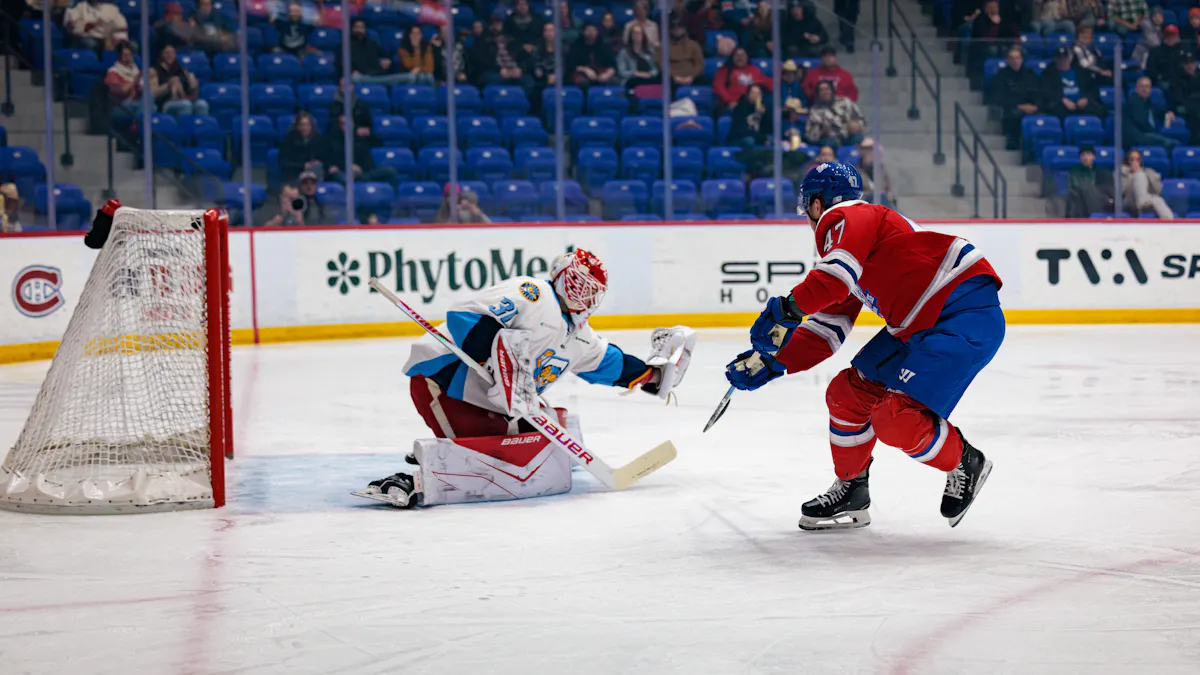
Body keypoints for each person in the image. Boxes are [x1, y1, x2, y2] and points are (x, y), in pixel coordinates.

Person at [724, 162, 1003, 531]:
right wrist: (775, 361)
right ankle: (852, 489)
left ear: (817, 204)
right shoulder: (856, 243)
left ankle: (966, 462)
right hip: (920, 325)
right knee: (847, 394)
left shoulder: (847, 216)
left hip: (961, 315)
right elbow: (827, 330)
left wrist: (787, 309)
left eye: (807, 209)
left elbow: (831, 282)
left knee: (895, 418)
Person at [355, 250, 696, 508]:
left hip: (492, 398)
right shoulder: (533, 293)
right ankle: (417, 478)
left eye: (590, 290)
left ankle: (463, 447)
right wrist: (487, 356)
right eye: (577, 284)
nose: (583, 295)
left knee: (548, 436)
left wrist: (653, 376)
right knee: (501, 459)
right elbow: (464, 314)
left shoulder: (581, 336)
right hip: (445, 381)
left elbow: (609, 362)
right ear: (560, 276)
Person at [320, 114, 398, 192]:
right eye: (343, 124)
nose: (346, 126)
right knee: (342, 177)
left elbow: (378, 143)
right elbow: (332, 162)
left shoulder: (360, 138)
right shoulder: (332, 141)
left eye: (348, 123)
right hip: (344, 172)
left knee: (390, 171)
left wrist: (360, 169)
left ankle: (393, 196)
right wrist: (348, 167)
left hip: (364, 172)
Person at [992, 46, 1041, 149]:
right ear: (1007, 60)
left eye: (1017, 58)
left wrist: (1035, 105)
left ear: (1022, 59)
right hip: (1013, 107)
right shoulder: (1001, 75)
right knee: (1013, 114)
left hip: (1031, 106)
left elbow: (1037, 92)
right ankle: (1013, 141)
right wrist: (1020, 106)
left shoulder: (1030, 74)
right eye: (1012, 58)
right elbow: (999, 97)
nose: (1015, 61)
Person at [1041, 46, 1101, 120]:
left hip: (1082, 102)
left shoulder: (1082, 72)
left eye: (1065, 59)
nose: (1062, 61)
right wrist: (1062, 99)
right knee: (1058, 111)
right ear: (1055, 60)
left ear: (1070, 58)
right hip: (1061, 104)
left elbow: (1093, 89)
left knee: (1099, 110)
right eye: (1060, 59)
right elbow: (1047, 91)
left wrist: (1086, 98)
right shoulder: (1048, 74)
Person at [341, 18, 405, 85]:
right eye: (357, 27)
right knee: (355, 78)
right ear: (352, 29)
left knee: (409, 77)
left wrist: (388, 60)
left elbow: (385, 56)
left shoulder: (372, 44)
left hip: (377, 75)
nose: (359, 30)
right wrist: (352, 71)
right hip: (361, 77)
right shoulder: (345, 46)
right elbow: (342, 63)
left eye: (362, 27)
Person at [150, 45, 208, 117]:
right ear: (161, 54)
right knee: (185, 105)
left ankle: (199, 123)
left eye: (172, 53)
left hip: (184, 98)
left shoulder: (182, 70)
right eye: (167, 53)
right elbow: (153, 94)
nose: (170, 55)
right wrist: (168, 85)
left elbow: (193, 93)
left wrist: (194, 85)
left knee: (202, 104)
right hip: (165, 102)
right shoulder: (154, 71)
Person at [1123, 75, 1177, 151]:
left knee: (1173, 143)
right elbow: (1142, 123)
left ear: (1150, 90)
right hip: (1137, 137)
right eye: (1142, 86)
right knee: (1172, 144)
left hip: (1145, 136)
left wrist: (1167, 113)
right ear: (1136, 89)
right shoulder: (1133, 101)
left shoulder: (1147, 102)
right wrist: (1155, 134)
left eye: (1147, 87)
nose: (1144, 89)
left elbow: (1156, 111)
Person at [805, 80, 866, 147]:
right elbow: (810, 135)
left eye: (827, 89)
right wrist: (821, 132)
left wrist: (857, 125)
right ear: (818, 94)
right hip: (830, 139)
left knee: (858, 138)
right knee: (828, 143)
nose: (825, 92)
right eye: (821, 90)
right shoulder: (814, 111)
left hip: (848, 135)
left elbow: (862, 120)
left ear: (832, 91)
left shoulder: (845, 102)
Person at [968, 0, 1019, 76]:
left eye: (995, 7)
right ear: (985, 8)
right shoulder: (980, 20)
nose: (994, 9)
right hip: (985, 46)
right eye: (991, 7)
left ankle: (1017, 74)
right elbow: (986, 39)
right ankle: (991, 72)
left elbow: (1013, 34)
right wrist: (994, 25)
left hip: (1005, 45)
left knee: (1021, 51)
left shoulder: (1005, 19)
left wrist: (1016, 45)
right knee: (993, 50)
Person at [1121, 148, 1173, 217]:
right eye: (1132, 159)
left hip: (1145, 198)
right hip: (1128, 201)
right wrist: (1130, 175)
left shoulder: (1147, 172)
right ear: (1127, 161)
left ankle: (1170, 221)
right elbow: (1119, 192)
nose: (1135, 162)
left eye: (1137, 160)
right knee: (1138, 175)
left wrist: (1149, 176)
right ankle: (1142, 202)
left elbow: (1158, 191)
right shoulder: (1121, 172)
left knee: (1158, 200)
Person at [1065, 145, 1115, 216]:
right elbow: (1074, 189)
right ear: (1080, 158)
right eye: (1083, 155)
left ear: (1093, 157)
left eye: (1088, 155)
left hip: (1100, 202)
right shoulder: (1075, 172)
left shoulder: (1103, 173)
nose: (1085, 158)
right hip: (1080, 202)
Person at [566, 23, 617, 88]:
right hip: (583, 74)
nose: (591, 33)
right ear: (583, 32)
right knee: (583, 82)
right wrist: (585, 70)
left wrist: (607, 74)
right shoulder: (576, 46)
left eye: (593, 30)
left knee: (614, 81)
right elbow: (571, 66)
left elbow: (613, 65)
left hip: (601, 73)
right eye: (588, 30)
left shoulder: (604, 46)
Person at [278, 112, 324, 184]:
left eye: (307, 125)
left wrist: (317, 162)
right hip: (295, 175)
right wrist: (303, 166)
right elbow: (284, 163)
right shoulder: (289, 140)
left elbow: (324, 158)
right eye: (302, 125)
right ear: (297, 126)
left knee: (317, 167)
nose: (305, 128)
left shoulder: (317, 139)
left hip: (313, 173)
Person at [617, 23, 659, 95]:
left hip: (648, 78)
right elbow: (622, 72)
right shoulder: (624, 53)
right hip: (632, 80)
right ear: (631, 36)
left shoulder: (650, 52)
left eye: (639, 33)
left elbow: (655, 69)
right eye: (635, 33)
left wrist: (649, 74)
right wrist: (635, 73)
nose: (637, 36)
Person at [104, 41, 142, 119]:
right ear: (119, 56)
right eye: (125, 55)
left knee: (150, 102)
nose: (128, 57)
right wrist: (134, 82)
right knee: (144, 106)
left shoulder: (137, 71)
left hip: (137, 102)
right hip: (120, 106)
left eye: (130, 54)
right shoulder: (113, 72)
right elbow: (119, 92)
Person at [728, 84, 773, 148]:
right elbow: (741, 130)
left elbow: (769, 129)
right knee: (749, 141)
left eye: (758, 93)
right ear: (748, 95)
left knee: (773, 139)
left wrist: (765, 114)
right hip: (741, 138)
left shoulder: (764, 108)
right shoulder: (740, 107)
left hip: (757, 137)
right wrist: (762, 138)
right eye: (753, 93)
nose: (756, 95)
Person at [1170, 51, 1200, 141]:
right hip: (1186, 107)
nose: (1189, 66)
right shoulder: (1177, 78)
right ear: (1183, 65)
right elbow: (1177, 97)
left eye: (1192, 63)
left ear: (1196, 63)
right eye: (1187, 64)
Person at [857, 138, 895, 207]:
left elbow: (888, 188)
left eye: (870, 149)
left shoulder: (882, 169)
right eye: (865, 149)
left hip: (882, 200)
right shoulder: (857, 170)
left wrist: (889, 196)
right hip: (865, 202)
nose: (867, 151)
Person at [668, 17, 706, 87]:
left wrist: (692, 76)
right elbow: (662, 65)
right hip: (673, 77)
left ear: (684, 29)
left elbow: (699, 64)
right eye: (674, 28)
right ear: (670, 30)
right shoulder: (664, 46)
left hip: (692, 76)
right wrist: (675, 77)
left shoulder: (693, 45)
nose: (677, 30)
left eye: (680, 27)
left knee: (704, 81)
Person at [533, 21, 559, 87]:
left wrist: (556, 75)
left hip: (560, 77)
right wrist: (545, 76)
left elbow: (565, 66)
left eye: (551, 30)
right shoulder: (538, 48)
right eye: (546, 31)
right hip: (543, 78)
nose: (549, 33)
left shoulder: (563, 48)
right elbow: (536, 65)